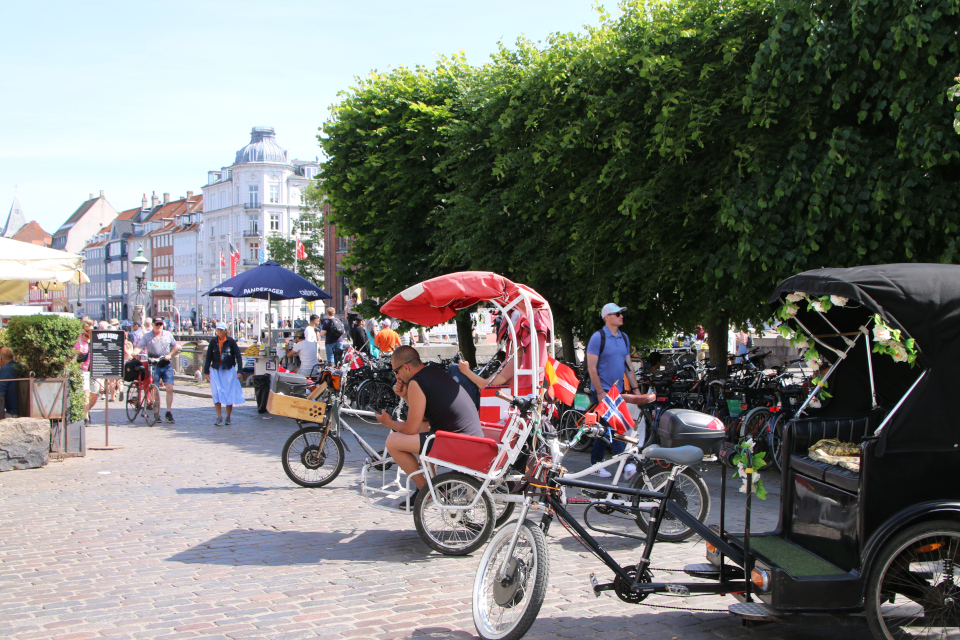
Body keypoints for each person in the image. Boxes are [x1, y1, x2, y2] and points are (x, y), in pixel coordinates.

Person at [375, 346, 483, 508]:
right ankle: (431, 485)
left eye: (396, 371)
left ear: (406, 367)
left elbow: (410, 428)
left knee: (392, 442)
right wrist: (405, 395)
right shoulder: (433, 371)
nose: (396, 376)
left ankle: (426, 490)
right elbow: (423, 418)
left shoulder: (416, 383)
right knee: (423, 427)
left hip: (456, 443)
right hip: (471, 439)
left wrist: (388, 422)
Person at [586, 303, 647, 478]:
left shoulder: (624, 338)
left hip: (617, 391)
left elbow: (628, 367)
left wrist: (636, 392)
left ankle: (596, 463)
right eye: (617, 313)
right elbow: (592, 368)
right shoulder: (598, 338)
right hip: (602, 391)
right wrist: (600, 392)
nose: (621, 315)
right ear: (607, 317)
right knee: (615, 426)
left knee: (605, 427)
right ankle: (627, 464)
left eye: (622, 313)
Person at [136, 318, 180, 423]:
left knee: (169, 387)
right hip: (154, 364)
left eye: (161, 324)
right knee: (155, 388)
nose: (159, 326)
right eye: (157, 324)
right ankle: (156, 413)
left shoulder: (168, 335)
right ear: (152, 325)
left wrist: (169, 355)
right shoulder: (147, 336)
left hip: (166, 364)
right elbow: (139, 346)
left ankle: (168, 412)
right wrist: (134, 353)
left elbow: (175, 347)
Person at [203, 322, 245, 425]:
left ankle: (228, 417)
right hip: (216, 369)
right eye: (218, 330)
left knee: (228, 393)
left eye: (222, 330)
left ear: (226, 331)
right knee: (216, 393)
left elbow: (238, 355)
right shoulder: (213, 342)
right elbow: (208, 357)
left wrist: (240, 370)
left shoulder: (230, 341)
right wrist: (206, 371)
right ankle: (219, 416)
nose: (220, 332)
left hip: (228, 369)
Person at [73, 319, 101, 426]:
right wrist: (76, 351)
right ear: (83, 330)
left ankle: (85, 411)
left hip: (95, 369)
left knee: (95, 394)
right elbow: (73, 355)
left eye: (91, 329)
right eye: (87, 330)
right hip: (83, 369)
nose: (89, 332)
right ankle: (85, 417)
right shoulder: (78, 340)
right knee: (86, 392)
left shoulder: (97, 339)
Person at [0, 347, 20, 419]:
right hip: (24, 412)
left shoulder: (5, 369)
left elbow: (1, 393)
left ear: (1, 358)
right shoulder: (21, 367)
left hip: (11, 414)